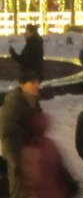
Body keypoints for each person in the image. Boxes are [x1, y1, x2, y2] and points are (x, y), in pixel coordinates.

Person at [0, 68, 43, 198]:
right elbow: (7, 137)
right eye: (32, 82)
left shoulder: (34, 104)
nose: (36, 85)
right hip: (20, 165)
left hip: (35, 162)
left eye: (37, 82)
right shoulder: (12, 105)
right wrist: (16, 164)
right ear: (22, 84)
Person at [20, 110, 78, 197]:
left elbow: (30, 179)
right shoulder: (49, 145)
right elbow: (61, 168)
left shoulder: (28, 149)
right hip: (54, 192)